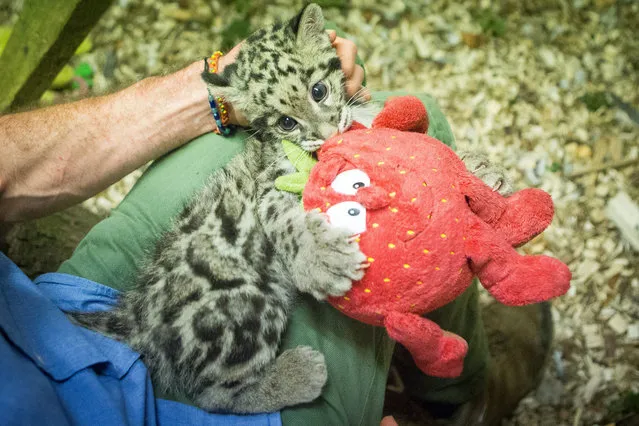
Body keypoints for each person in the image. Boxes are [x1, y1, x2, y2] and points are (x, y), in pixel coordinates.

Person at [0, 28, 551, 426]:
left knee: (403, 118)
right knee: (327, 247)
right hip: (157, 407)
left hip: (51, 319)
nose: (321, 124)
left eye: (318, 93)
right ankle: (459, 398)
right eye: (295, 114)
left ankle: (429, 365)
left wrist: (214, 89)